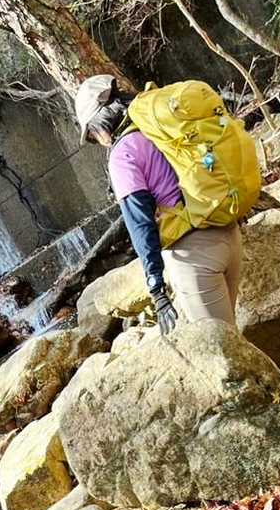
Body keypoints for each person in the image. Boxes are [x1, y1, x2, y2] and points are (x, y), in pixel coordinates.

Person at [74, 75, 242, 337]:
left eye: (93, 134)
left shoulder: (122, 154)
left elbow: (140, 224)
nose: (98, 140)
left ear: (101, 125)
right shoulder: (160, 122)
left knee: (222, 349)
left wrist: (157, 290)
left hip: (194, 254)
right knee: (235, 342)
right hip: (227, 230)